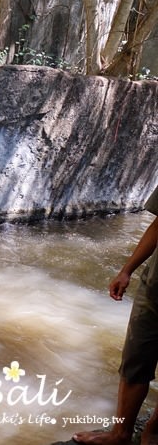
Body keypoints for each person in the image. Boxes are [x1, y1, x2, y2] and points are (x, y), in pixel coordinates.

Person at [74, 185, 158, 445]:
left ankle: (152, 431)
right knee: (134, 361)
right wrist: (126, 270)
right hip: (154, 289)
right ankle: (120, 434)